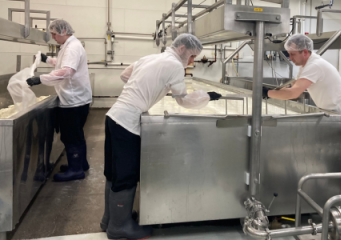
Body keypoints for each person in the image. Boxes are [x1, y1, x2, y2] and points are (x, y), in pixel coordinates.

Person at [101, 33, 222, 239]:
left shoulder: (150, 58)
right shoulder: (175, 65)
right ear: (182, 48)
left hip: (114, 116)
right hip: (127, 122)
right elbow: (183, 100)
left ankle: (110, 219)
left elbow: (124, 76)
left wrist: (149, 87)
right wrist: (207, 96)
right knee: (126, 174)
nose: (192, 61)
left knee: (113, 172)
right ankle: (119, 227)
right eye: (192, 56)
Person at [262, 34, 341, 207]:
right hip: (330, 114)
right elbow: (294, 88)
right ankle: (332, 192)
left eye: (292, 54)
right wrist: (280, 90)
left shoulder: (315, 65)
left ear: (305, 52)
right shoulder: (308, 64)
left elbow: (294, 93)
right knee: (333, 157)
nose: (290, 58)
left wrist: (266, 93)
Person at [26, 19, 92, 182]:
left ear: (63, 32)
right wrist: (46, 59)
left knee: (71, 136)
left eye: (54, 34)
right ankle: (80, 163)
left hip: (73, 100)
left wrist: (40, 79)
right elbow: (61, 64)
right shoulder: (69, 46)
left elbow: (67, 71)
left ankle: (76, 170)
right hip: (77, 98)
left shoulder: (72, 48)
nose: (53, 37)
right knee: (76, 134)